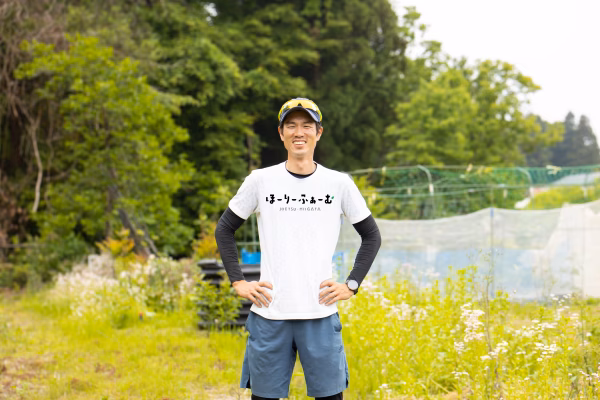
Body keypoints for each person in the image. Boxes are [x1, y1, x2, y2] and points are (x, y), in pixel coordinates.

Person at [215, 97, 382, 399]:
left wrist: (351, 284)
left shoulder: (338, 183)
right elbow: (224, 229)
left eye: (307, 125)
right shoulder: (261, 180)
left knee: (330, 397)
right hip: (270, 312)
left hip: (320, 312)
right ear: (281, 133)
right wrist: (238, 281)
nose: (299, 132)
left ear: (319, 132)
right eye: (291, 125)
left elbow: (371, 236)